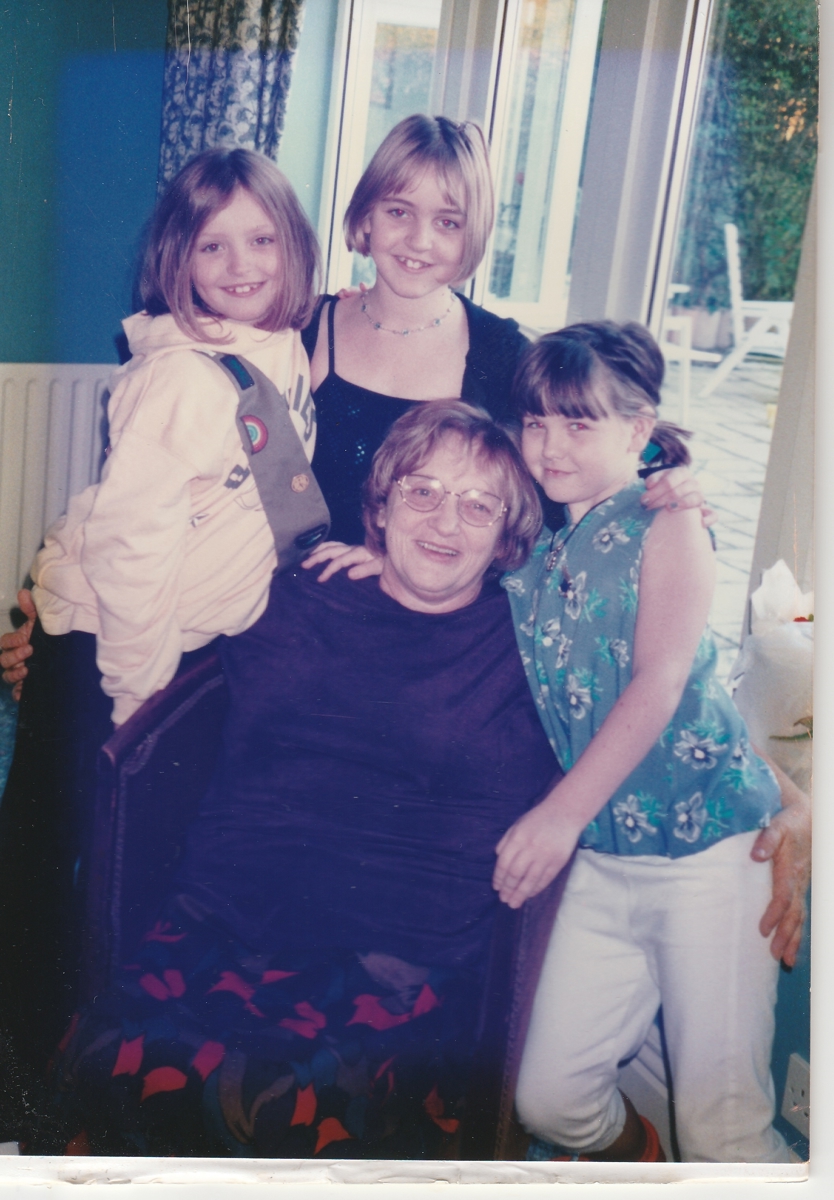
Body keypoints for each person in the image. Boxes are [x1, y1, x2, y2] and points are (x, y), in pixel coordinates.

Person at [49, 403, 559, 1158]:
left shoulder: (530, 647)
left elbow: (649, 664)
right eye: (422, 491)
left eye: (479, 505)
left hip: (399, 955)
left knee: (283, 1106)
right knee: (102, 1061)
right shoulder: (293, 595)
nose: (445, 521)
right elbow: (138, 592)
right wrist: (46, 633)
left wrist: (673, 508)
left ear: (509, 538)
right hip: (225, 916)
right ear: (380, 506)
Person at [0, 146, 322, 1068]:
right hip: (107, 643)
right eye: (212, 246)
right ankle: (26, 1049)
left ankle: (83, 1014)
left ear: (294, 247)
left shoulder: (278, 348)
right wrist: (135, 695)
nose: (240, 265)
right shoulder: (180, 380)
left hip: (182, 643)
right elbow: (132, 550)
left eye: (260, 240)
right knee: (51, 844)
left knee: (126, 846)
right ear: (177, 259)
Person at [492, 322, 798, 1162]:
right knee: (549, 1100)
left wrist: (557, 817)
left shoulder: (670, 523)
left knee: (724, 1130)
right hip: (603, 860)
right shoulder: (532, 543)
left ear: (638, 429)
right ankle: (639, 1163)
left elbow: (660, 683)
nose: (550, 445)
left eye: (578, 422)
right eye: (536, 421)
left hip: (710, 854)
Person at [299, 114, 697, 550]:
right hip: (305, 583)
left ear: (473, 234)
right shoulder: (305, 327)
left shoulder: (502, 353)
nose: (419, 240)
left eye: (447, 222)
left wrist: (662, 480)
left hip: (444, 583)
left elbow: (598, 444)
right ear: (366, 216)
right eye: (399, 212)